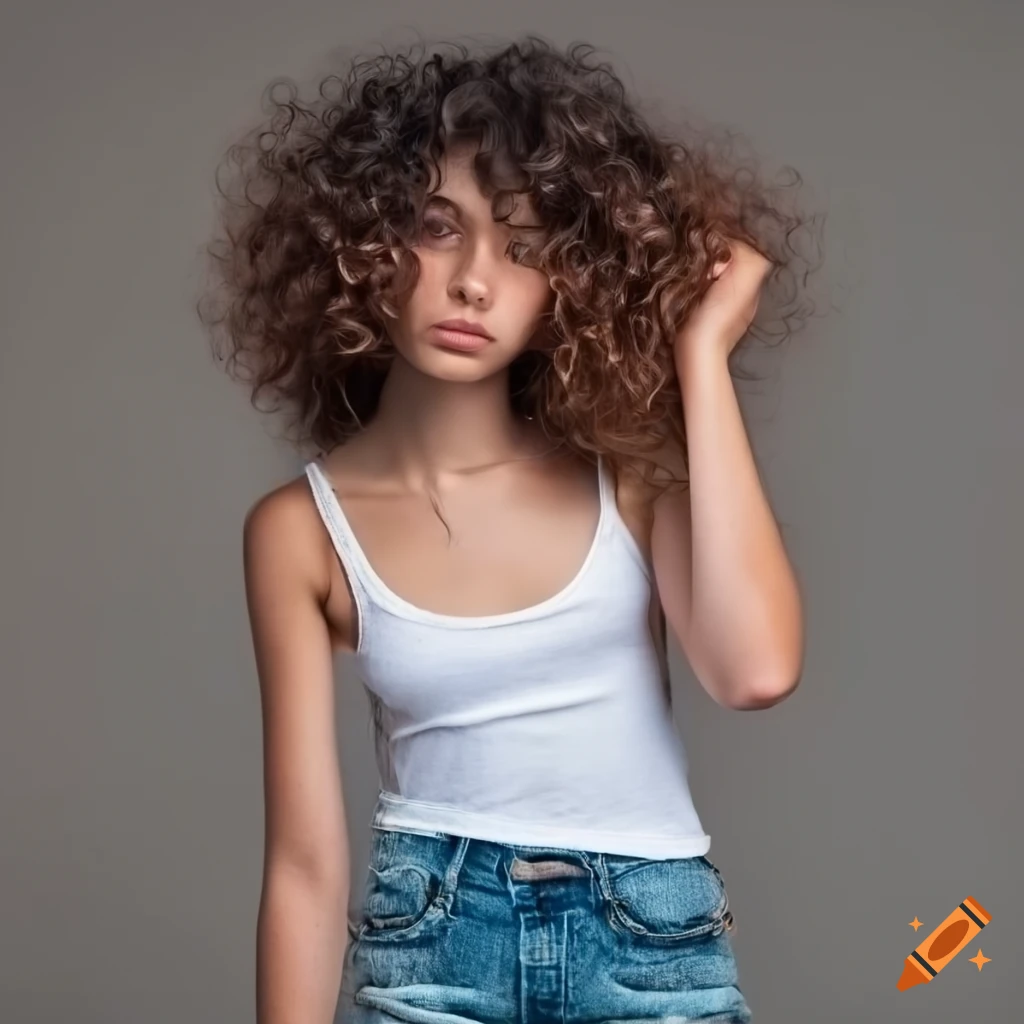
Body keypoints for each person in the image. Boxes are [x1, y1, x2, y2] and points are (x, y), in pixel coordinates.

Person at [198, 34, 819, 1024]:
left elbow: (754, 671)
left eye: (526, 247)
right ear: (361, 244)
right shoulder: (299, 531)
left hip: (652, 951)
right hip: (431, 951)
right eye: (438, 227)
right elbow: (306, 865)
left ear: (572, 283)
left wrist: (697, 355)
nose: (475, 280)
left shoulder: (633, 478)